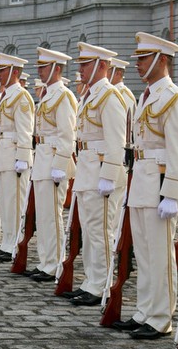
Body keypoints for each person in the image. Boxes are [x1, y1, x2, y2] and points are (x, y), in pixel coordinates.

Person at [112, 32, 178, 339]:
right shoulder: (146, 96)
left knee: (160, 254)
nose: (137, 64)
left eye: (143, 58)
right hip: (141, 180)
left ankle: (161, 317)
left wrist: (173, 193)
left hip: (159, 185)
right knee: (143, 252)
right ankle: (145, 310)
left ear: (161, 59)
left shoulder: (172, 98)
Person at [63, 42, 126, 306]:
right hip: (87, 169)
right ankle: (90, 280)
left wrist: (109, 176)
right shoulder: (89, 95)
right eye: (80, 64)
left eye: (85, 64)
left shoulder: (109, 96)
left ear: (102, 66)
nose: (80, 69)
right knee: (89, 230)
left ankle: (101, 285)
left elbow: (116, 141)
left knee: (100, 231)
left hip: (101, 172)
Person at [28, 48, 77, 282]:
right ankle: (45, 260)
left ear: (57, 69)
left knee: (53, 216)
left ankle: (55, 262)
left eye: (44, 67)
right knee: (43, 216)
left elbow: (67, 134)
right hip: (42, 159)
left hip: (54, 162)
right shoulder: (48, 95)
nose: (40, 70)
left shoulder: (64, 95)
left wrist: (60, 163)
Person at [0, 53, 34, 262]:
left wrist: (23, 157)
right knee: (5, 202)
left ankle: (15, 244)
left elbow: (25, 130)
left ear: (14, 72)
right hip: (2, 153)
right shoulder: (6, 95)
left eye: (3, 70)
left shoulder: (21, 96)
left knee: (15, 203)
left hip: (13, 154)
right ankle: (6, 242)